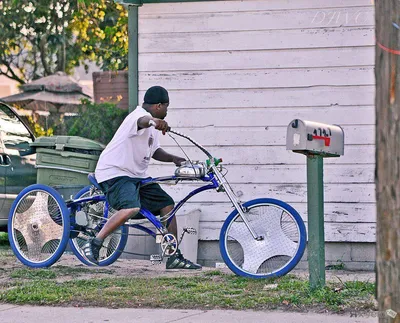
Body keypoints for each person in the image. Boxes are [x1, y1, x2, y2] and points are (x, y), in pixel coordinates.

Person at [82, 86, 201, 270]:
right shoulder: (137, 117)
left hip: (135, 176)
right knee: (131, 206)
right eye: (166, 107)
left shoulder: (152, 127)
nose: (167, 111)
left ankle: (173, 256)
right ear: (158, 106)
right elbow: (143, 121)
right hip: (115, 173)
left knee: (167, 204)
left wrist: (174, 159)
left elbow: (155, 151)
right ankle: (95, 242)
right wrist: (153, 120)